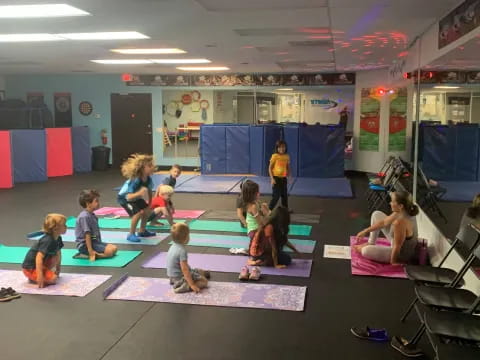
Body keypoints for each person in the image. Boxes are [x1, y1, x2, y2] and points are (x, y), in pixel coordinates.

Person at [354, 191, 419, 265]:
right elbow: (384, 222)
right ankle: (370, 242)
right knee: (376, 214)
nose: (390, 203)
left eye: (392, 201)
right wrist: (365, 231)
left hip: (401, 254)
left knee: (365, 251)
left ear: (400, 206)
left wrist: (394, 262)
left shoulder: (400, 222)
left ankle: (367, 248)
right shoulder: (403, 211)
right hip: (396, 242)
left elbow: (397, 246)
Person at [242, 180, 289, 269]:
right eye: (257, 192)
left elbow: (264, 217)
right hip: (254, 231)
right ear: (252, 194)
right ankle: (259, 258)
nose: (259, 193)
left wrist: (266, 211)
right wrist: (268, 214)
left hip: (257, 228)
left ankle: (258, 257)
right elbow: (261, 223)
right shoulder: (253, 207)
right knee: (271, 237)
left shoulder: (256, 203)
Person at [117, 154, 156, 243]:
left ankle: (142, 231)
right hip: (124, 199)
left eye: (152, 165)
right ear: (142, 168)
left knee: (146, 210)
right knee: (137, 213)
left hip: (136, 198)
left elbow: (149, 190)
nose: (152, 167)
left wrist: (150, 203)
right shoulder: (135, 180)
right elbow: (129, 196)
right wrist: (139, 193)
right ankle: (131, 234)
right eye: (149, 166)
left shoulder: (148, 179)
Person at [22, 214, 66, 288]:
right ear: (55, 228)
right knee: (53, 279)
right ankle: (34, 276)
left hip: (41, 265)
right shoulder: (47, 240)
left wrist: (58, 269)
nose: (66, 227)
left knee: (55, 256)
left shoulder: (58, 238)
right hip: (30, 268)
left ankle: (42, 273)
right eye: (64, 225)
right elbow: (38, 258)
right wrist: (40, 276)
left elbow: (58, 253)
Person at [75, 189, 117, 261]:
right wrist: (90, 251)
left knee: (114, 248)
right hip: (84, 245)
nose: (98, 203)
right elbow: (87, 234)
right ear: (88, 204)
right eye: (96, 201)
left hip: (94, 242)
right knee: (109, 252)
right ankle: (92, 255)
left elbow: (95, 232)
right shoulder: (84, 217)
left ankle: (97, 253)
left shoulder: (92, 215)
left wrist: (99, 243)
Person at [166, 223, 209, 293]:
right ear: (185, 238)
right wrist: (192, 284)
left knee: (199, 271)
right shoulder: (182, 251)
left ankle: (177, 281)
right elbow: (185, 270)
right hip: (180, 277)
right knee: (204, 282)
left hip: (172, 276)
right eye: (188, 235)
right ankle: (186, 286)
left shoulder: (172, 246)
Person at [269, 140, 291, 211]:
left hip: (283, 179)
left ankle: (285, 210)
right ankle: (269, 209)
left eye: (283, 147)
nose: (282, 149)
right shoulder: (275, 156)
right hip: (276, 179)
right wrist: (272, 179)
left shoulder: (287, 156)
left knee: (284, 196)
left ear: (285, 147)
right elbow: (270, 168)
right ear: (277, 148)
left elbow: (287, 167)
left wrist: (289, 175)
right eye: (280, 147)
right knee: (276, 196)